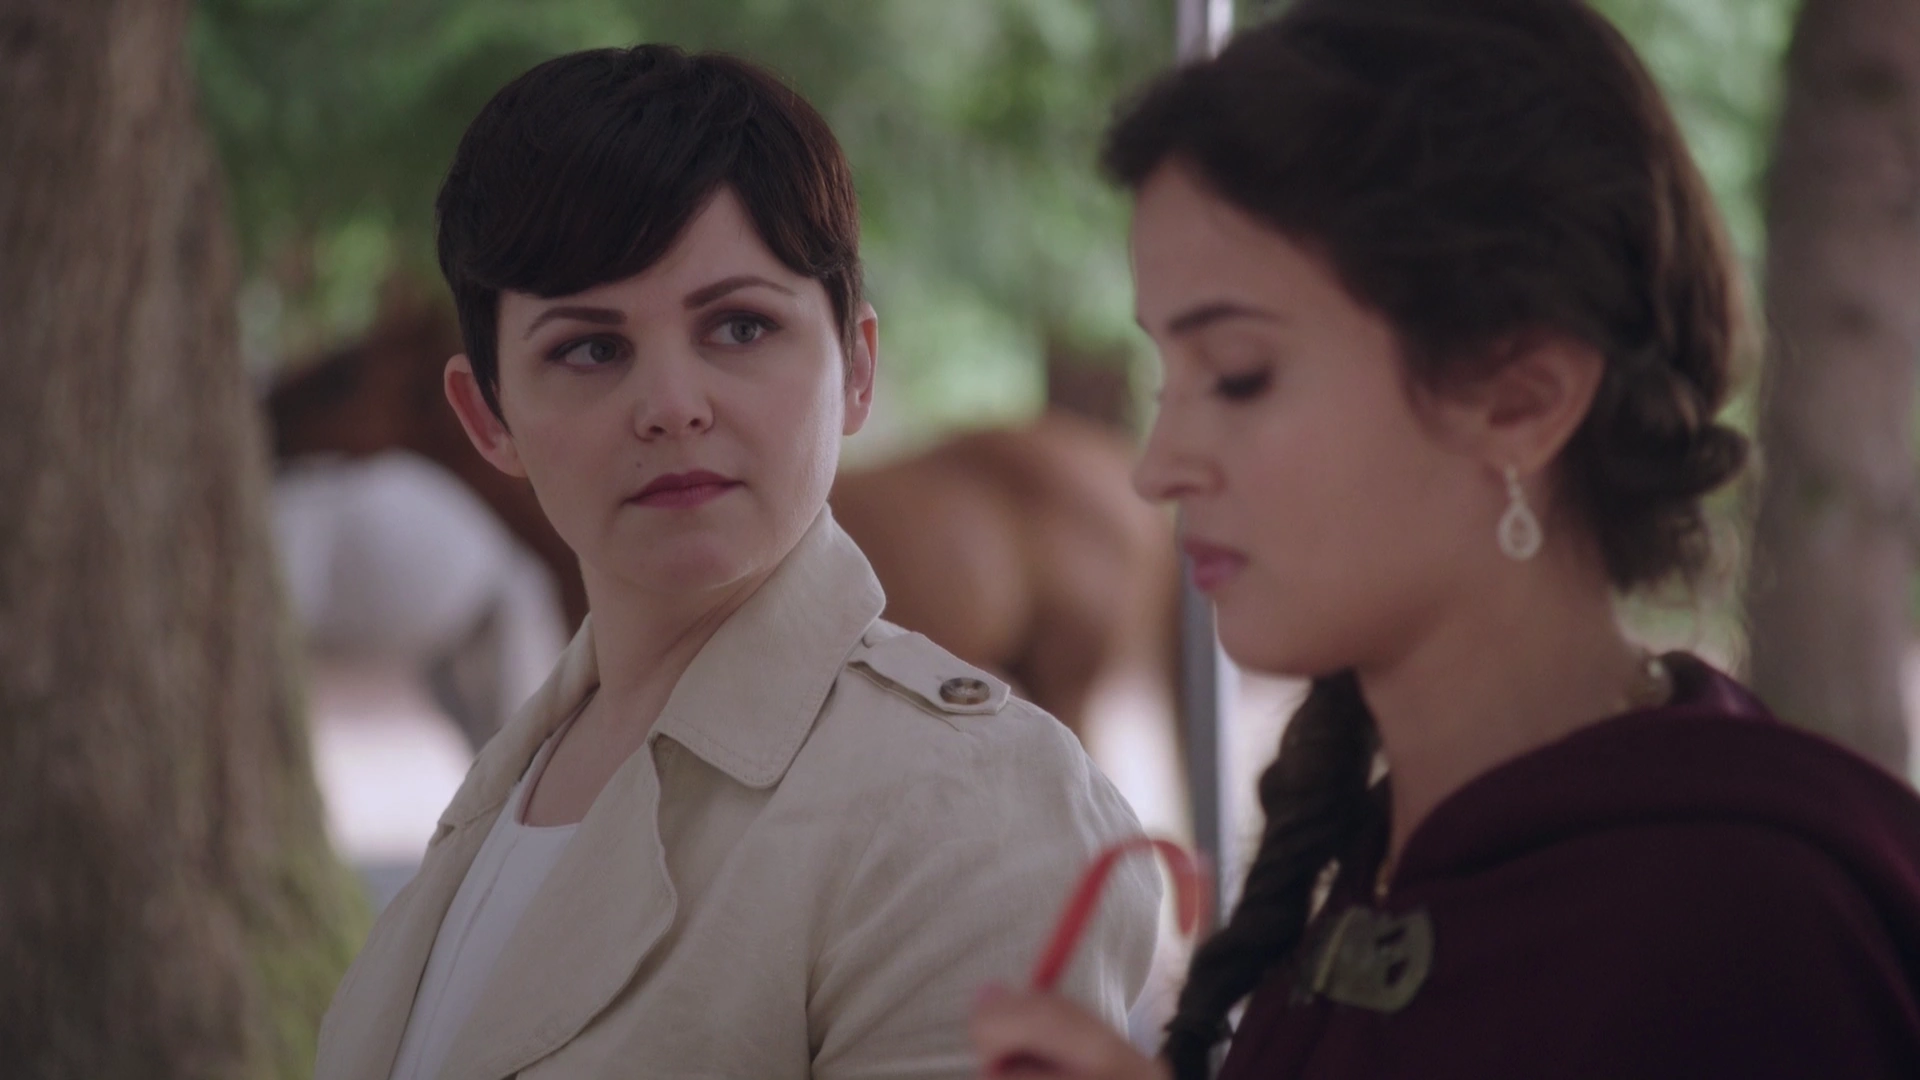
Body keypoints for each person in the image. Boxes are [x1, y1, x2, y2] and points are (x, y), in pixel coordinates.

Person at [968, 0, 1920, 1077]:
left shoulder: (1755, 925)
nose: (1157, 469)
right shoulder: (1387, 864)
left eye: (1237, 375)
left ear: (1522, 399)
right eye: (1164, 381)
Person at [313, 45, 1159, 1080]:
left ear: (857, 369)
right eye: (590, 348)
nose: (672, 406)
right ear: (487, 416)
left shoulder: (971, 811)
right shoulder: (515, 777)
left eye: (741, 326)